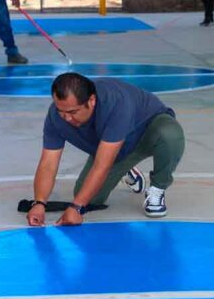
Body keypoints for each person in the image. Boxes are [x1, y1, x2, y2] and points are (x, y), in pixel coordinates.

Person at [26, 73, 185, 227]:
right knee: (90, 198)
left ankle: (157, 188)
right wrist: (39, 203)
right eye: (60, 111)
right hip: (111, 146)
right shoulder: (55, 117)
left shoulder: (116, 103)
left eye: (73, 112)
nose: (66, 118)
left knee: (170, 134)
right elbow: (48, 163)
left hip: (148, 133)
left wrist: (76, 208)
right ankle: (126, 167)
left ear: (92, 101)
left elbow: (102, 165)